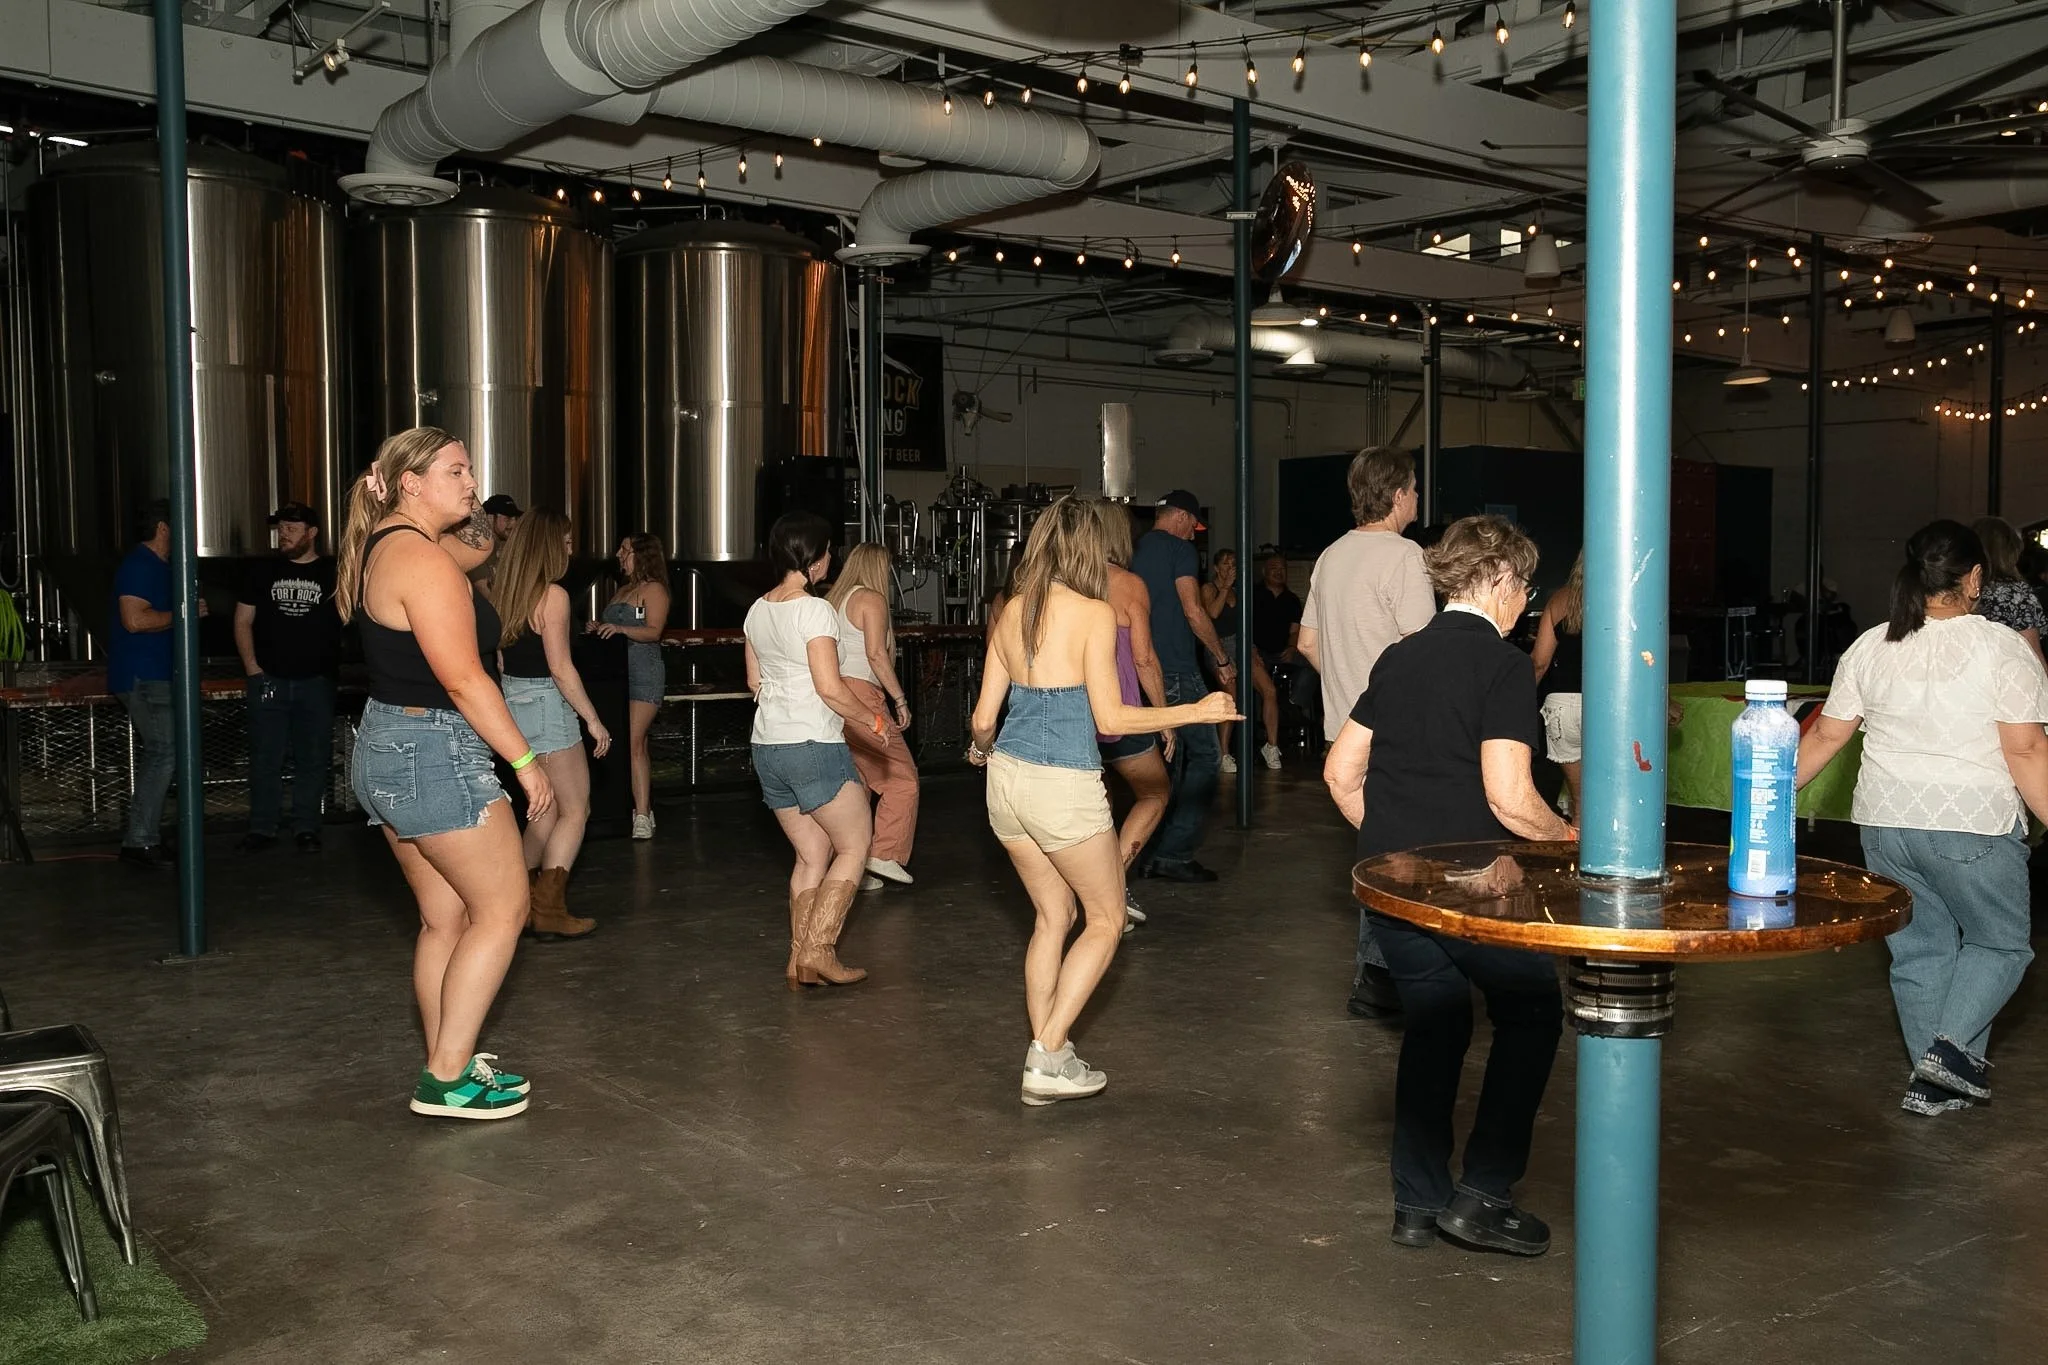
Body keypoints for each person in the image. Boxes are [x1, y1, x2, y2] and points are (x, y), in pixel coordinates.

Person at [1321, 515, 1575, 1254]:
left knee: (1436, 1025)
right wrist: (1570, 839)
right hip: (1474, 890)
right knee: (1531, 1012)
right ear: (1498, 578)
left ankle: (1416, 1201)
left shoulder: (1398, 657)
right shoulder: (1501, 666)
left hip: (1394, 891)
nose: (1525, 602)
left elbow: (1341, 774)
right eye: (1524, 587)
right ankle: (1485, 1192)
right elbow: (1508, 795)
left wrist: (1401, 851)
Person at [969, 497, 1238, 1106]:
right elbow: (1111, 718)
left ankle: (1051, 1052)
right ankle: (1046, 1055)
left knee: (1051, 918)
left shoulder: (1011, 612)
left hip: (1006, 780)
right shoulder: (1092, 613)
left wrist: (982, 752)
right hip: (1061, 783)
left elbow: (984, 719)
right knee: (1107, 918)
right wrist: (1195, 710)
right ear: (1091, 549)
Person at [336, 427, 553, 1121]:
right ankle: (448, 1078)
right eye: (457, 470)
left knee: (443, 918)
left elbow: (484, 541)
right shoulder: (423, 562)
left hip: (389, 743)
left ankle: (445, 1058)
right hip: (431, 747)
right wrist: (524, 761)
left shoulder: (398, 543)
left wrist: (466, 501)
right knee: (504, 908)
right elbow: (463, 678)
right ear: (409, 483)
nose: (471, 483)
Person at [1796, 521, 2048, 1116]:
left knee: (1921, 953)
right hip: (1972, 824)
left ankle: (1933, 1085)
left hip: (1884, 827)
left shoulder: (1873, 643)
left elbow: (1827, 735)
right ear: (1976, 577)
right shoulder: (2002, 647)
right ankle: (1951, 1055)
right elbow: (2026, 750)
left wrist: (1761, 804)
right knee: (2001, 945)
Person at [1300, 447, 1435, 1017]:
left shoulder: (1330, 556)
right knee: (1409, 854)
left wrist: (1356, 686)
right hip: (1401, 730)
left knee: (1382, 849)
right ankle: (1387, 979)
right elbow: (1428, 653)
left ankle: (1378, 978)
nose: (1418, 498)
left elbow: (1307, 643)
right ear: (1399, 493)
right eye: (1413, 488)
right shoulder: (1405, 557)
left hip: (1346, 731)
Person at [747, 512, 880, 990]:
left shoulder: (757, 610)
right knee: (854, 845)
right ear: (814, 559)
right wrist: (871, 719)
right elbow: (830, 687)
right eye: (827, 552)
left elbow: (753, 682)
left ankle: (798, 959)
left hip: (767, 745)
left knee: (810, 854)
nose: (831, 559)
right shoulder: (815, 610)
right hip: (812, 743)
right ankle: (819, 952)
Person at [490, 509, 613, 941]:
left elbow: (501, 658)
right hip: (546, 702)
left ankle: (517, 904)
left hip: (513, 704)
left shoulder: (503, 592)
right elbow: (561, 669)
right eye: (563, 542)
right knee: (576, 809)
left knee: (544, 811)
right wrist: (593, 720)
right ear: (546, 545)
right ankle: (548, 908)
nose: (569, 549)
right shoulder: (553, 596)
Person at [1130, 489, 1235, 883]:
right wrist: (1221, 660)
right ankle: (1172, 853)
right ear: (1181, 518)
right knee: (1206, 758)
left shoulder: (1134, 550)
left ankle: (1150, 848)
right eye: (1194, 525)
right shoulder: (1181, 551)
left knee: (1164, 765)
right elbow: (1194, 611)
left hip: (1144, 671)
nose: (1195, 533)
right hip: (1176, 668)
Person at [234, 501, 340, 853]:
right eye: (280, 529)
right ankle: (263, 827)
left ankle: (305, 827)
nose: (283, 535)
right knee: (266, 758)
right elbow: (242, 621)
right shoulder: (261, 572)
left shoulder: (334, 573)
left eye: (292, 529)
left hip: (316, 682)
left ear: (312, 533)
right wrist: (253, 670)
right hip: (269, 681)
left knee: (313, 759)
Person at [1089, 499, 1174, 930]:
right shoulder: (1127, 583)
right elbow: (1143, 658)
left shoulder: (1061, 583)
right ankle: (1111, 892)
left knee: (1088, 807)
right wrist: (1162, 716)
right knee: (1155, 793)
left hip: (1071, 714)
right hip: (1119, 712)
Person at [108, 499, 205, 870]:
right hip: (144, 675)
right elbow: (134, 620)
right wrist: (184, 613)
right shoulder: (139, 565)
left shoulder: (161, 567)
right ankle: (140, 840)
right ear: (164, 528)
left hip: (158, 675)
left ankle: (146, 835)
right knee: (165, 752)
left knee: (167, 753)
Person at [828, 543, 921, 886]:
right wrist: (899, 699)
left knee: (859, 782)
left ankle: (854, 861)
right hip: (863, 694)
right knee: (903, 779)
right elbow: (876, 655)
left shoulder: (833, 600)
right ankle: (885, 854)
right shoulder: (870, 599)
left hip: (834, 693)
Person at [593, 533, 671, 839]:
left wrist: (620, 628)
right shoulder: (623, 590)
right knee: (635, 744)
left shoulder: (654, 589)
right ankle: (641, 807)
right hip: (617, 675)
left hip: (644, 673)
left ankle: (640, 814)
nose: (619, 555)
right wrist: (599, 629)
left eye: (625, 550)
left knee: (632, 740)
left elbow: (653, 631)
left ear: (641, 554)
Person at [1204, 549, 1279, 773]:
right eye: (1225, 564)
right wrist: (1225, 586)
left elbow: (1245, 624)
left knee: (1269, 690)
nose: (1230, 568)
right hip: (1218, 645)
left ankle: (1271, 746)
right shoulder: (1209, 588)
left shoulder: (1241, 590)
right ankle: (1224, 753)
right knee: (1231, 694)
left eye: (1234, 564)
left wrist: (1253, 647)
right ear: (1217, 568)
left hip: (1241, 644)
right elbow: (1213, 614)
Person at [1530, 551, 1586, 818]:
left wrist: (1520, 703)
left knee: (1581, 804)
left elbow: (1539, 663)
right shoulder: (1626, 598)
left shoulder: (1561, 599)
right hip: (1609, 705)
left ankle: (1576, 856)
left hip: (1562, 708)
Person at [1972, 516, 2048, 673]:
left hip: (1972, 677)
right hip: (2010, 678)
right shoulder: (2016, 594)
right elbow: (2033, 655)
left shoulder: (1962, 589)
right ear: (2010, 552)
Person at [1250, 552, 1301, 761]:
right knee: (1266, 689)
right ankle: (1267, 741)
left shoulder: (1292, 600)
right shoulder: (1253, 594)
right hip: (1258, 651)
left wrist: (1291, 646)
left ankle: (1295, 700)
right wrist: (1251, 649)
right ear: (1264, 572)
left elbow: (1295, 629)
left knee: (1317, 664)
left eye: (1282, 569)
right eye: (1274, 568)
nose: (1279, 572)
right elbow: (1244, 627)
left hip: (1283, 651)